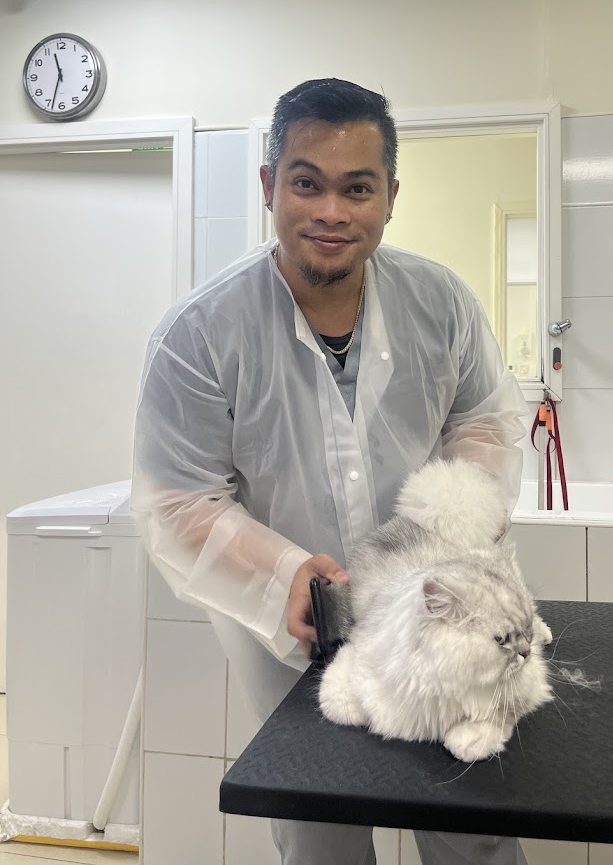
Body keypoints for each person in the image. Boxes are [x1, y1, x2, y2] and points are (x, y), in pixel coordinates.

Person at [132, 78, 529, 865]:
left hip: (438, 606)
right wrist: (282, 574)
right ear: (269, 185)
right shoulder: (200, 333)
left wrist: (451, 523)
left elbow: (482, 419)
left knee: (470, 809)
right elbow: (178, 500)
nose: (330, 212)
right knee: (321, 824)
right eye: (306, 183)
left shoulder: (439, 302)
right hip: (288, 624)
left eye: (358, 188)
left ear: (389, 196)